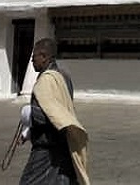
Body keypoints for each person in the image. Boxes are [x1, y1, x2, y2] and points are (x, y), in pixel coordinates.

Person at [20, 38, 89, 185]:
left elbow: (44, 116)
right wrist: (28, 132)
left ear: (44, 57)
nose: (32, 61)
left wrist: (27, 114)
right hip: (65, 143)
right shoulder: (64, 76)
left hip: (47, 150)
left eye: (34, 57)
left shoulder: (46, 80)